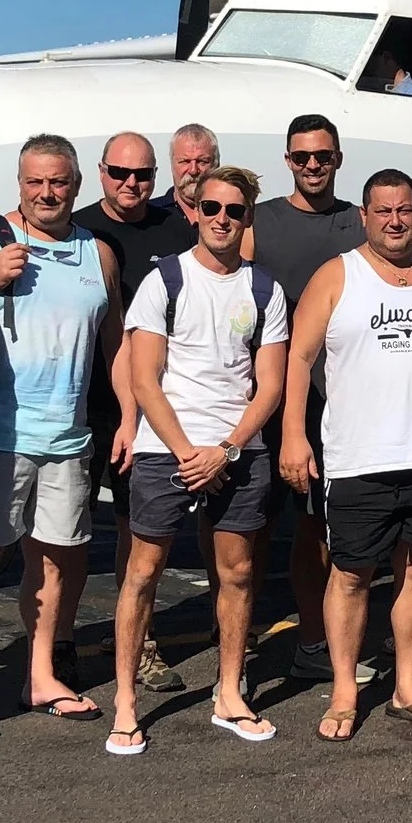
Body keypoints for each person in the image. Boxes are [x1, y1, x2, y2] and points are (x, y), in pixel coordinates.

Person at [280, 171, 412, 741]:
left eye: (405, 210)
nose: (395, 220)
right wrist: (294, 436)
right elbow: (297, 360)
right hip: (358, 459)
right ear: (365, 215)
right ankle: (346, 691)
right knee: (350, 575)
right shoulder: (337, 274)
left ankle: (408, 686)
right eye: (383, 211)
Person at [0, 134, 128, 735]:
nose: (47, 193)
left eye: (59, 182)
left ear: (77, 186)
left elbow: (116, 344)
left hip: (68, 437)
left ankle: (40, 674)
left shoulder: (96, 253)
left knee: (58, 562)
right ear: (19, 185)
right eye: (35, 182)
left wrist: (129, 415)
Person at [108, 165, 288, 752]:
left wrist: (228, 448)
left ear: (247, 218)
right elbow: (144, 377)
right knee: (143, 574)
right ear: (194, 211)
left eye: (234, 211)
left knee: (236, 575)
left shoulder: (266, 290)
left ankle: (229, 691)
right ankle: (126, 702)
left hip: (237, 451)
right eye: (211, 208)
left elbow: (269, 386)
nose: (221, 220)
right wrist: (188, 453)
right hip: (169, 451)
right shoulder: (165, 281)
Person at [243, 113, 367, 682]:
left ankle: (314, 643)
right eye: (302, 157)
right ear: (287, 162)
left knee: (316, 526)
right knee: (247, 526)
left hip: (337, 402)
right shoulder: (258, 223)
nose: (313, 165)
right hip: (260, 399)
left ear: (338, 159)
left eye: (323, 156)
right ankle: (235, 642)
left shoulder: (361, 223)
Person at [73, 131, 196, 689]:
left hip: (146, 405)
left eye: (142, 175)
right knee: (64, 532)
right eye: (120, 173)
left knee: (133, 530)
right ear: (101, 173)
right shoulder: (77, 232)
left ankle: (141, 643)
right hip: (79, 401)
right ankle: (54, 645)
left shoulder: (174, 230)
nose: (131, 184)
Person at [154, 124, 219, 213]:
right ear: (172, 165)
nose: (193, 170)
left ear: (216, 165)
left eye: (202, 161)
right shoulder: (149, 216)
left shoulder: (236, 216)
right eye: (185, 161)